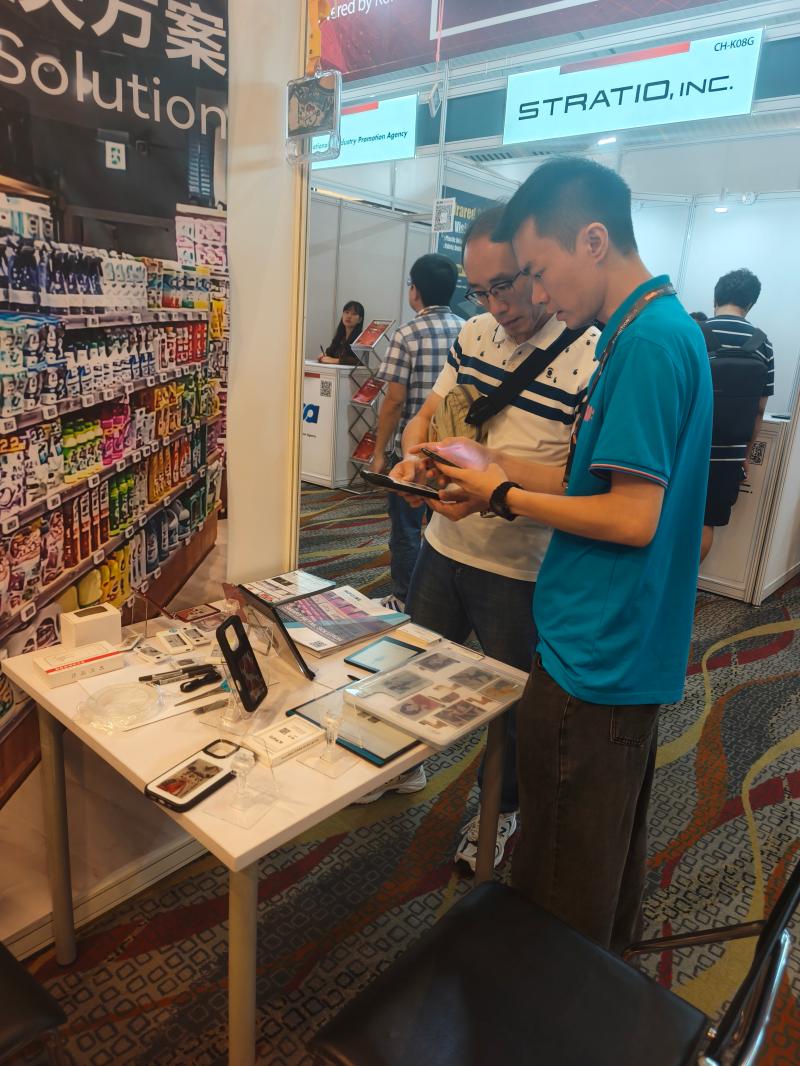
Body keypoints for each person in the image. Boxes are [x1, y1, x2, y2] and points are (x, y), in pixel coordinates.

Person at [415, 157, 711, 952]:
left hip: (597, 652)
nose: (538, 295)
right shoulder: (650, 330)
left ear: (593, 240)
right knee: (596, 867)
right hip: (607, 641)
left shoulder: (646, 343)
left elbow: (631, 517)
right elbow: (590, 481)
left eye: (539, 271)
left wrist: (504, 496)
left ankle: (552, 1007)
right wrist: (493, 466)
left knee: (559, 887)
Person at [356, 207, 599, 876]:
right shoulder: (472, 334)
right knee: (410, 669)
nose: (499, 305)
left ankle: (502, 811)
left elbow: (580, 481)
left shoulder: (590, 352)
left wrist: (494, 483)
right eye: (482, 290)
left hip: (521, 568)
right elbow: (429, 417)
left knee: (514, 709)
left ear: (538, 268)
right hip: (444, 545)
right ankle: (404, 765)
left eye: (509, 285)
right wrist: (414, 461)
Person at [369, 254, 461, 610]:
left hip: (413, 454)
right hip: (455, 454)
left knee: (406, 529)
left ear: (415, 291)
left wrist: (379, 453)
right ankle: (444, 601)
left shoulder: (407, 334)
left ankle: (405, 597)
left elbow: (394, 401)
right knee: (447, 531)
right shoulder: (470, 331)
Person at [700, 269, 774, 560]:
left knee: (665, 516)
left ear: (715, 297)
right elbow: (759, 409)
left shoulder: (694, 332)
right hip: (728, 455)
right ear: (750, 304)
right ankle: (686, 582)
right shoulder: (763, 343)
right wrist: (745, 453)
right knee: (706, 523)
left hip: (686, 449)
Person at [318, 300, 365, 365]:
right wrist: (323, 355)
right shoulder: (340, 336)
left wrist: (336, 361)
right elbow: (330, 352)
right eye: (346, 312)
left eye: (354, 314)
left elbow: (360, 360)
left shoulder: (362, 339)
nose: (349, 316)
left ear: (359, 319)